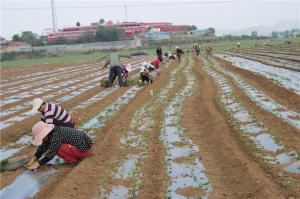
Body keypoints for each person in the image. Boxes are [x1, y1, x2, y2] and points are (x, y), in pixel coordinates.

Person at [27, 121, 92, 169]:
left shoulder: (55, 135)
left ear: (45, 134)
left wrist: (38, 163)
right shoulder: (51, 133)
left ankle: (74, 161)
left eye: (41, 137)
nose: (41, 139)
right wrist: (33, 159)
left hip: (83, 150)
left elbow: (51, 153)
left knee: (57, 149)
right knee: (54, 146)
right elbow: (43, 146)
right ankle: (74, 157)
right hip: (83, 146)